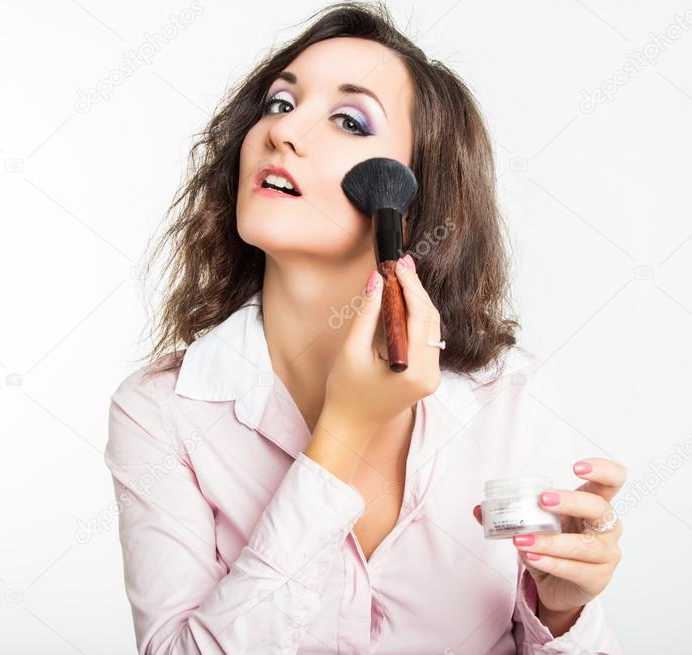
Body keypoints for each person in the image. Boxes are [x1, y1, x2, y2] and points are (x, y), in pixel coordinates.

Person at [105, 3, 626, 653]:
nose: (285, 132)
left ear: (414, 192)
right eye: (278, 103)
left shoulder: (508, 395)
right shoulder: (161, 410)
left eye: (348, 120)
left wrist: (561, 612)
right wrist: (341, 434)